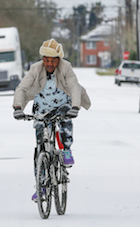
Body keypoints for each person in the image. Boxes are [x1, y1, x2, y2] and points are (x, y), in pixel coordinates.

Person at [12, 39, 91, 201]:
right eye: (46, 60)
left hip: (62, 104)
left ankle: (66, 149)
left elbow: (74, 86)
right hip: (42, 108)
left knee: (65, 120)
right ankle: (41, 187)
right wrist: (18, 108)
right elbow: (22, 88)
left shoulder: (66, 67)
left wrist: (75, 107)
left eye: (53, 61)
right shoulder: (35, 69)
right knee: (39, 148)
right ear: (42, 60)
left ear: (58, 60)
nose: (49, 64)